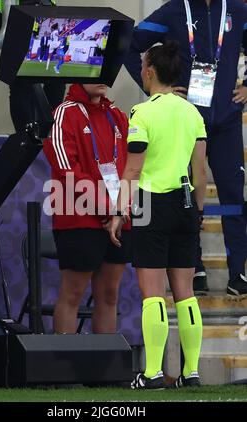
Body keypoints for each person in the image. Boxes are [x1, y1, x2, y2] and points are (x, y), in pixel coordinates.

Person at [124, 0, 247, 296]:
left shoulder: (238, 10)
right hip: (185, 120)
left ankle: (237, 273)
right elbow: (128, 44)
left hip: (226, 121)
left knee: (232, 194)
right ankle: (195, 267)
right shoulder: (173, 10)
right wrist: (154, 88)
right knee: (187, 193)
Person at [110, 41, 207, 388]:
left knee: (153, 293)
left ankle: (151, 373)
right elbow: (200, 171)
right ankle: (191, 373)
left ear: (149, 71)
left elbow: (133, 171)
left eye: (141, 66)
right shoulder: (192, 112)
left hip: (150, 204)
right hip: (185, 204)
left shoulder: (142, 113)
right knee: (186, 293)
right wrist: (196, 213)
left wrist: (120, 212)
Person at [43, 84, 131, 334]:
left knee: (109, 295)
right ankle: (65, 368)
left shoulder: (117, 114)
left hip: (118, 217)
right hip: (80, 219)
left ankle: (103, 370)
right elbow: (66, 171)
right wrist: (106, 210)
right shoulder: (64, 113)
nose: (104, 79)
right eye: (97, 72)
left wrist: (119, 209)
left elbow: (133, 166)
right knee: (73, 294)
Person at [9, 0, 65, 133]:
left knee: (57, 83)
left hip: (46, 8)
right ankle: (26, 137)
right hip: (19, 12)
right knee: (21, 84)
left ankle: (47, 133)